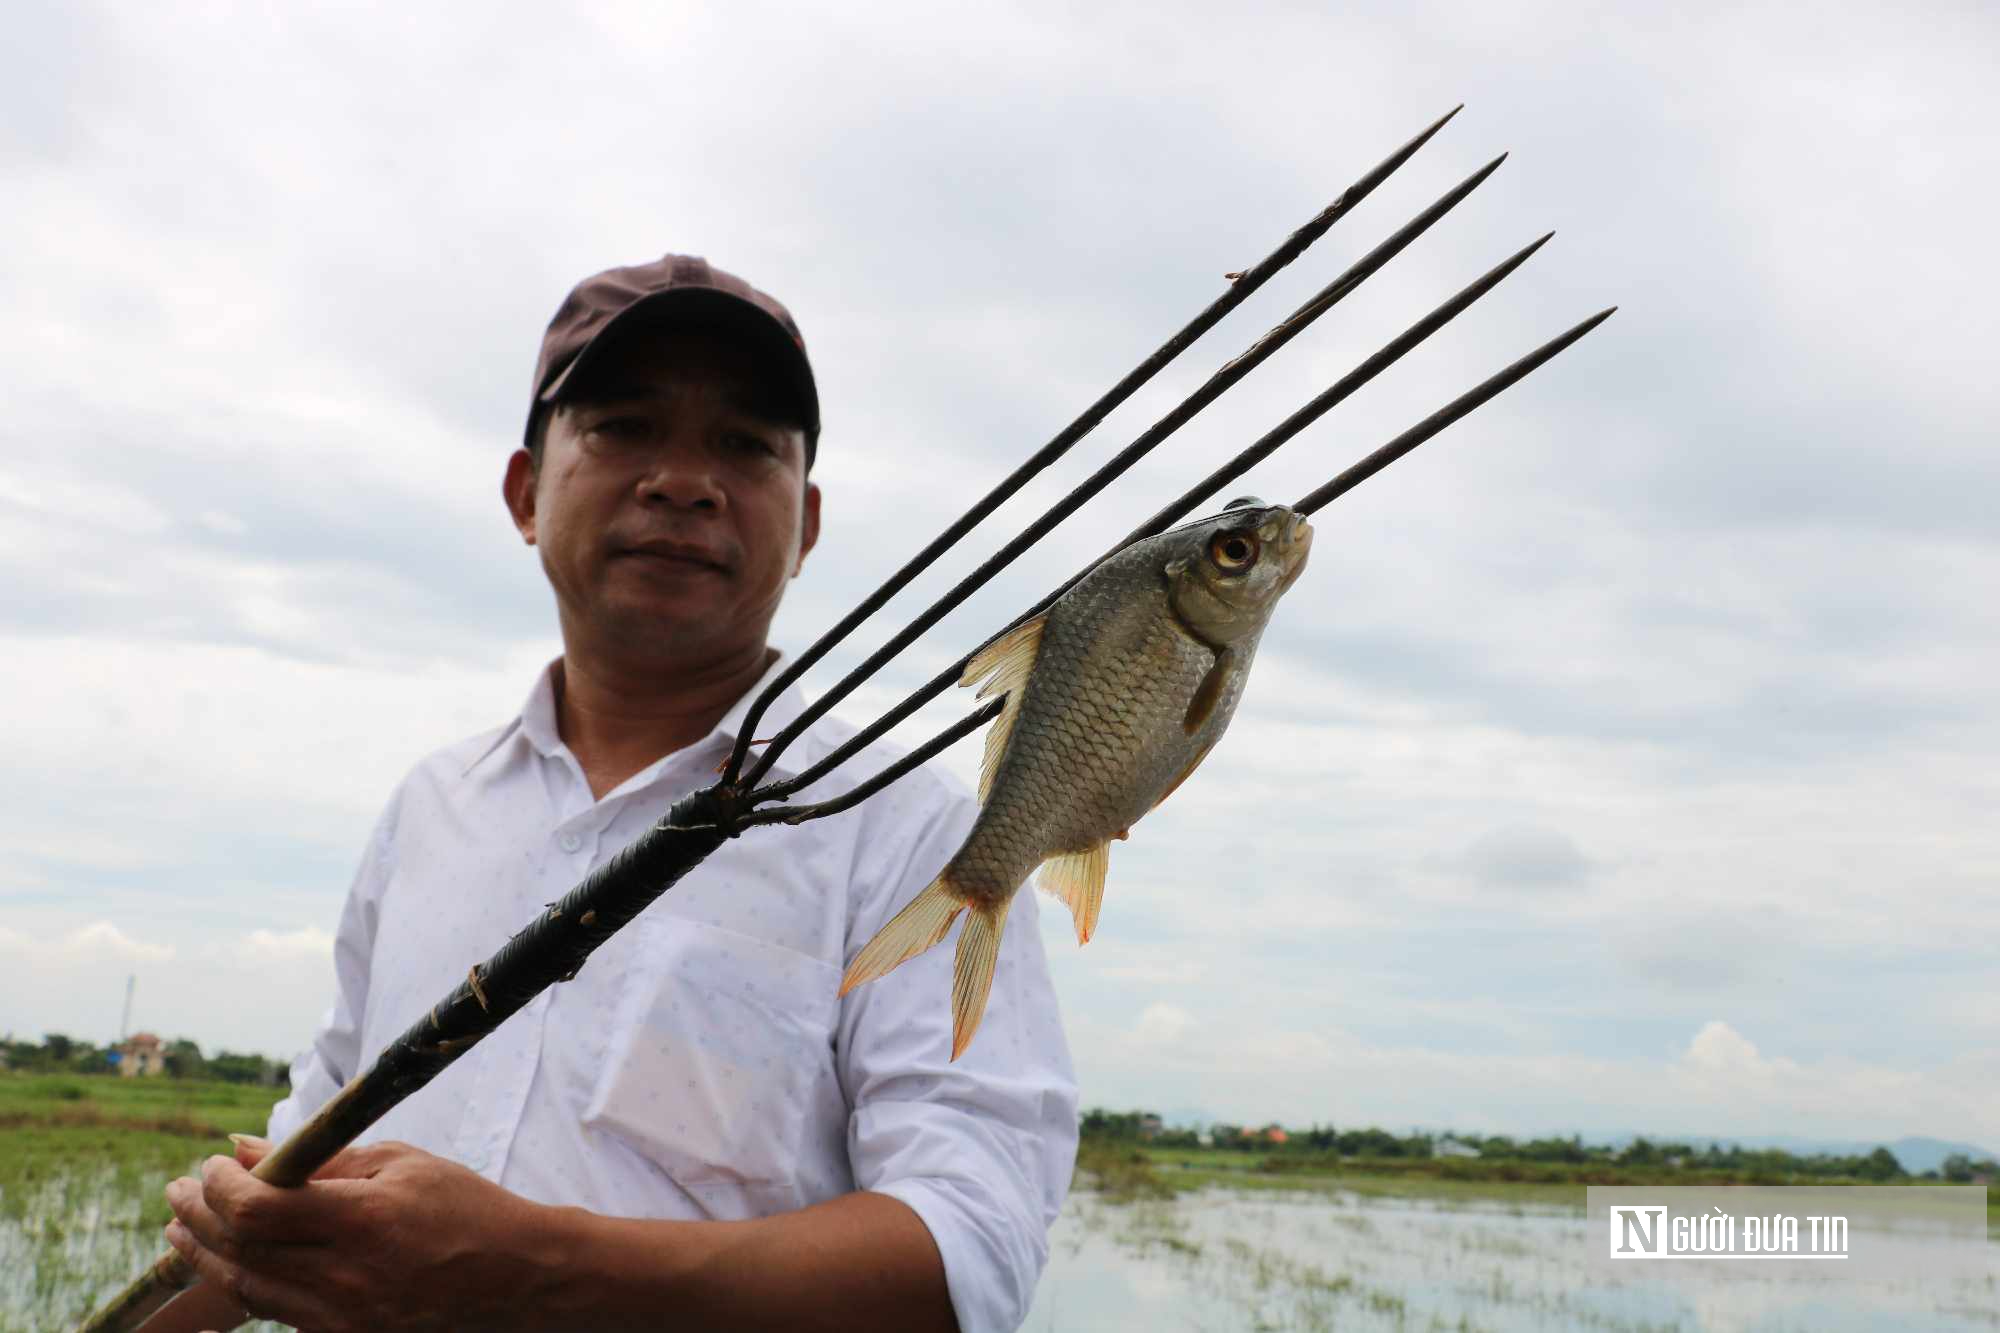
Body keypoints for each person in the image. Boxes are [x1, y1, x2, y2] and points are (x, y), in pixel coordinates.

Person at [151, 254, 1079, 1332]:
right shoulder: (431, 805)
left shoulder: (903, 826)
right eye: (623, 426)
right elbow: (300, 1176)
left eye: (744, 445)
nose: (683, 481)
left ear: (808, 524)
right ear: (523, 493)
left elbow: (971, 1244)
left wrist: (533, 1268)